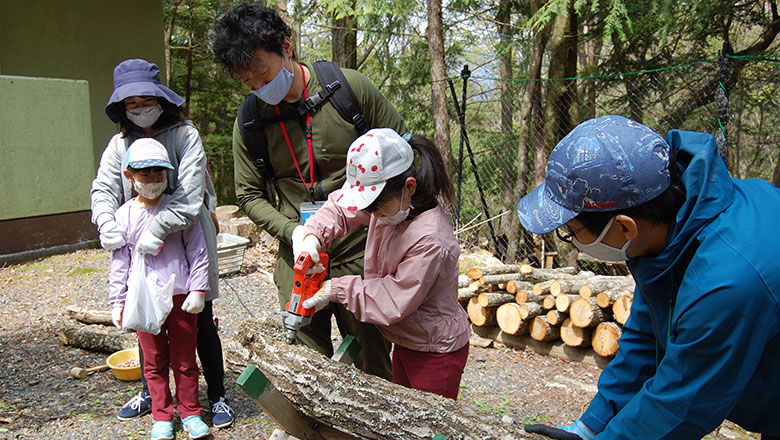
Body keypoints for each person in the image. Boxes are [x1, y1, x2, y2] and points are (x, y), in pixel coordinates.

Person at [516, 115, 780, 439]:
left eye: (571, 233)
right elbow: (647, 336)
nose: (569, 238)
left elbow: (681, 403)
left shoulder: (727, 282)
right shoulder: (674, 228)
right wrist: (592, 425)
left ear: (625, 226)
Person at [212, 1, 407, 380]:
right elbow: (249, 195)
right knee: (307, 367)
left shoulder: (350, 90)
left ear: (286, 47)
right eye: (246, 82)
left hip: (361, 250)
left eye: (262, 74)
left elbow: (403, 152)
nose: (257, 88)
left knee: (373, 365)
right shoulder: (250, 121)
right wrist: (296, 233)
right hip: (298, 257)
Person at [90, 59, 234, 428]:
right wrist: (106, 220)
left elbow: (189, 194)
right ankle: (153, 396)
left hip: (186, 240)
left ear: (161, 99)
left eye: (145, 100)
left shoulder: (185, 134)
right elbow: (103, 188)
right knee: (145, 320)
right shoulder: (119, 144)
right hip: (138, 248)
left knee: (198, 322)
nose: (140, 109)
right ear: (122, 108)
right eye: (131, 104)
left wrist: (162, 227)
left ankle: (216, 395)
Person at [294, 128, 471, 399]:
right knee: (404, 419)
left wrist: (335, 289)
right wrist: (312, 236)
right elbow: (343, 209)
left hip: (435, 351)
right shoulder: (393, 204)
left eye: (374, 209)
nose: (370, 215)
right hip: (407, 338)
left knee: (429, 425)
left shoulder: (431, 240)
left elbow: (392, 298)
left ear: (409, 187)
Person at [109, 138, 210, 440]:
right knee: (153, 360)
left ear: (167, 174)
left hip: (179, 294)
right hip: (143, 299)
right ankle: (161, 416)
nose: (153, 181)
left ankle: (190, 412)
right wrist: (118, 300)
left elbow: (198, 250)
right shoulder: (124, 215)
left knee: (185, 359)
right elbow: (119, 260)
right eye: (145, 174)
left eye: (158, 174)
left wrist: (198, 289)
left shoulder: (178, 209)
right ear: (129, 176)